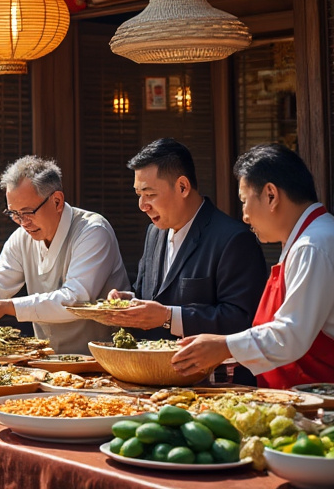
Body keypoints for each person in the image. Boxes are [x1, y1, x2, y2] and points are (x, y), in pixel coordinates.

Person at [0, 155, 131, 354]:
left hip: (105, 359)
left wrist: (6, 307)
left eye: (28, 212)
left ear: (57, 201)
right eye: (14, 214)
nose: (23, 222)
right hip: (49, 359)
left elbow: (76, 298)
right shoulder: (21, 238)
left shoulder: (93, 231)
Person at [173, 144, 334, 386]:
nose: (244, 216)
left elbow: (290, 336)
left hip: (319, 401)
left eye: (244, 201)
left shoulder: (313, 244)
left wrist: (224, 346)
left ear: (271, 195)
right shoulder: (307, 239)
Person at [99, 140, 267, 357]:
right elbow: (149, 296)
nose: (142, 206)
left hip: (212, 382)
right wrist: (128, 301)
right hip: (151, 375)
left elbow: (242, 320)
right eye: (138, 195)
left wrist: (168, 317)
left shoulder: (234, 239)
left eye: (149, 194)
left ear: (182, 187)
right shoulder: (153, 233)